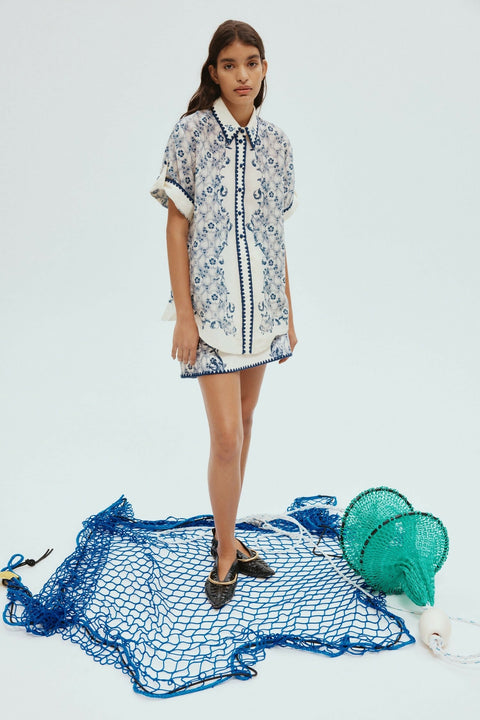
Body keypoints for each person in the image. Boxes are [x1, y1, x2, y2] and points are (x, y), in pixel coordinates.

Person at [150, 19, 298, 609]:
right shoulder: (190, 134)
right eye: (230, 64)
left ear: (264, 69)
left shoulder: (278, 144)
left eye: (252, 63)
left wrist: (288, 314)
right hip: (210, 315)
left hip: (263, 311)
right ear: (213, 71)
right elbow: (175, 227)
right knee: (227, 437)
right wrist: (184, 317)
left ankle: (228, 534)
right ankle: (224, 554)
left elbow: (275, 237)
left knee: (247, 422)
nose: (242, 75)